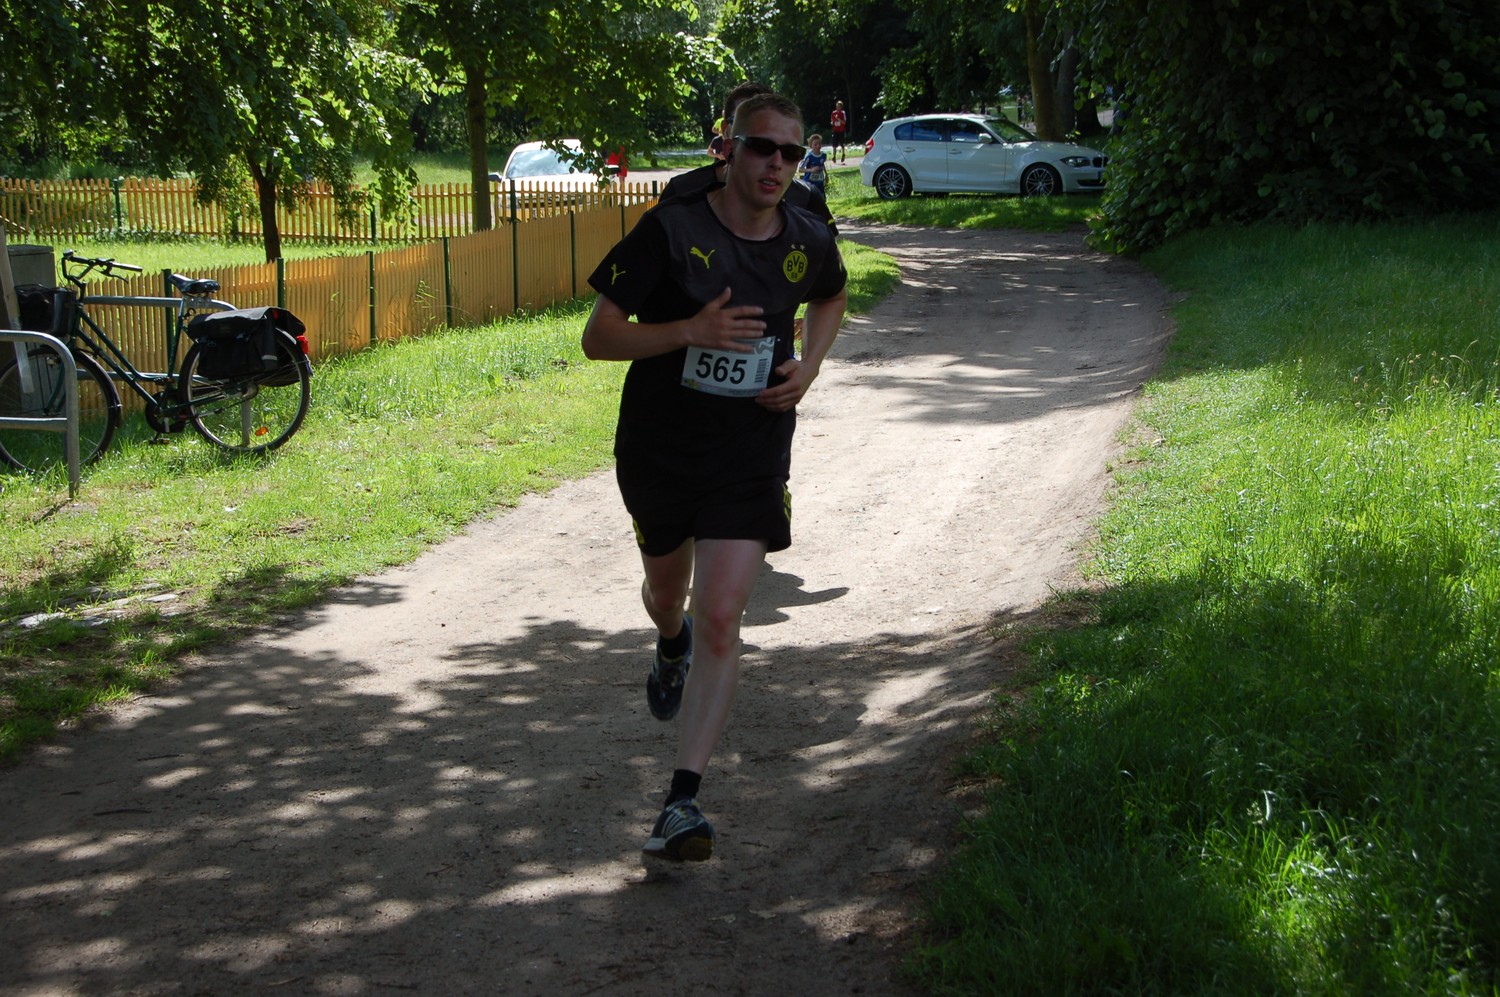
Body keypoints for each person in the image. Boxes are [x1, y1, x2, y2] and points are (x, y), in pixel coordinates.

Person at [581, 92, 848, 864]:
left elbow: (832, 293)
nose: (777, 165)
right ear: (729, 148)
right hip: (661, 445)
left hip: (751, 446)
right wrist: (689, 331)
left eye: (791, 153)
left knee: (724, 612)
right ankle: (671, 641)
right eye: (762, 147)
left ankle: (681, 801)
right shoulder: (673, 226)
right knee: (670, 596)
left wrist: (810, 366)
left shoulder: (807, 233)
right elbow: (599, 336)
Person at [661, 81, 837, 235]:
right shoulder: (682, 191)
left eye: (790, 152)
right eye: (742, 118)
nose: (776, 162)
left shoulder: (806, 197)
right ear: (725, 130)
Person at [829, 100, 848, 164]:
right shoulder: (833, 113)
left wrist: (839, 119)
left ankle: (843, 154)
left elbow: (844, 122)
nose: (838, 108)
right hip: (835, 130)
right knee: (834, 144)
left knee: (842, 144)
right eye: (837, 106)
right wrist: (832, 122)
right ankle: (834, 156)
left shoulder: (843, 113)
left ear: (841, 107)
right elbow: (832, 121)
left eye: (839, 107)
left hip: (841, 131)